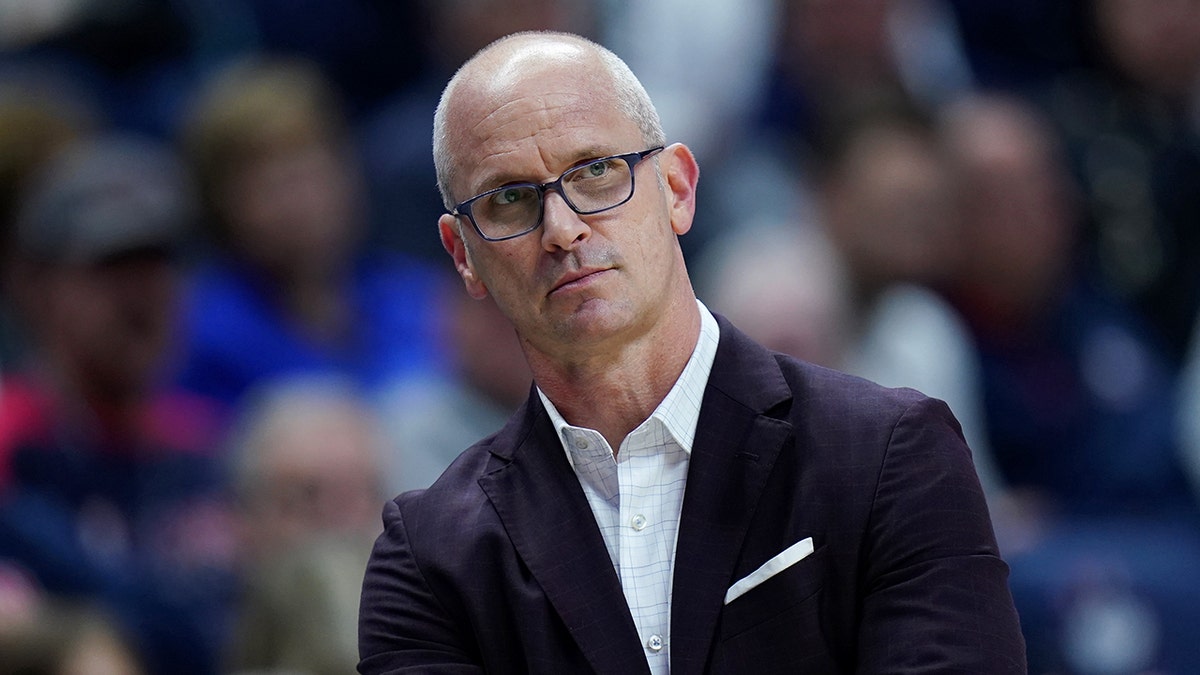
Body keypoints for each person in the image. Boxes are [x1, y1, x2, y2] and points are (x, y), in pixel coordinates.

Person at [358, 31, 1025, 674]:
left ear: (677, 188)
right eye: (509, 199)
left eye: (594, 171)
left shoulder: (890, 454)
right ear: (463, 257)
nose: (562, 229)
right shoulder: (427, 558)